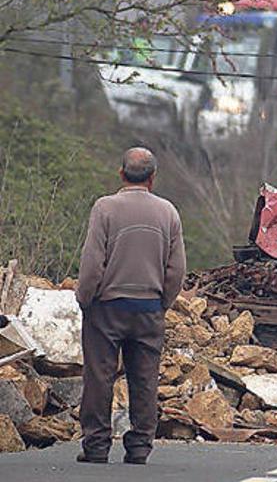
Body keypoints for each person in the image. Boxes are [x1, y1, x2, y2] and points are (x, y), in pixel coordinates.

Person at [75, 147, 186, 464]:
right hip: (149, 307)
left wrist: (86, 299)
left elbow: (93, 263)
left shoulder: (105, 208)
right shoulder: (168, 212)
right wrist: (162, 302)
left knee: (99, 377)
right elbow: (176, 269)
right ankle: (139, 447)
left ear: (121, 174)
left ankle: (96, 446)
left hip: (107, 307)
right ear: (153, 178)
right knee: (144, 379)